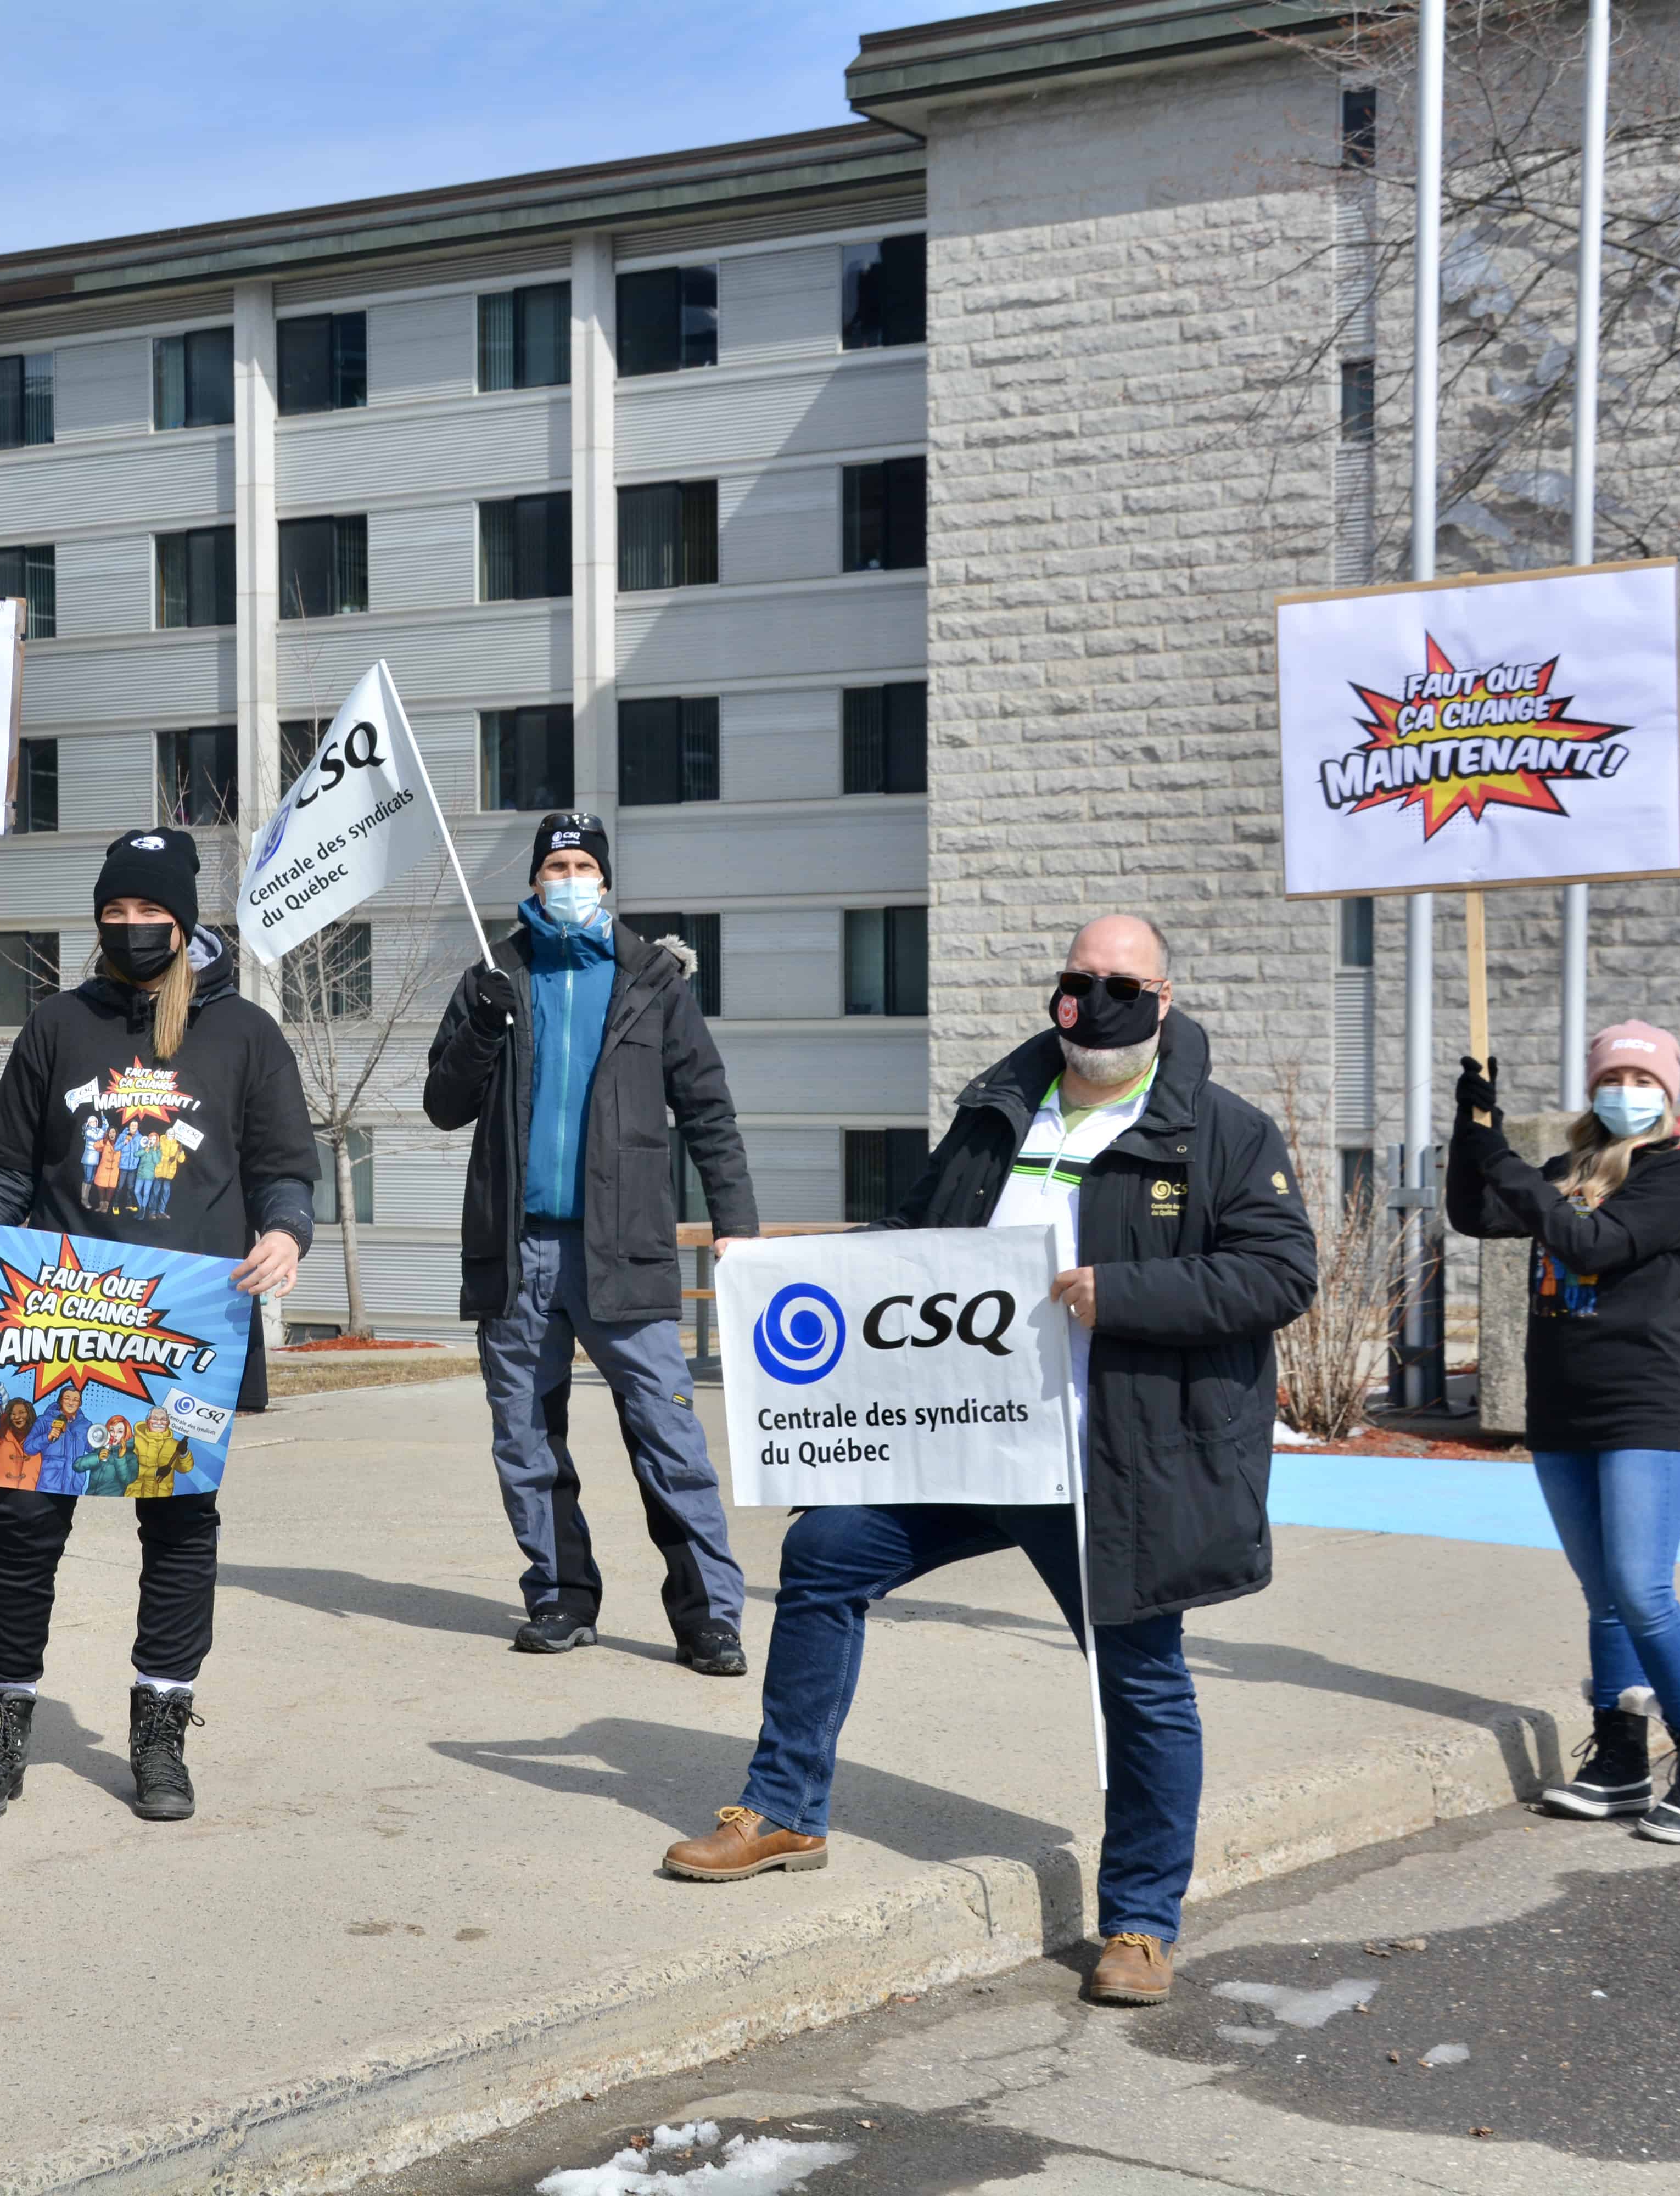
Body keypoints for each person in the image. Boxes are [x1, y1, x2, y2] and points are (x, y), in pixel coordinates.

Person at [659, 915, 1315, 2015]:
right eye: (1079, 980)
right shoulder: (998, 1110)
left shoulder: (1223, 1134)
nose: (1095, 1001)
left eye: (1122, 984)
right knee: (825, 1554)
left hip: (1111, 1459)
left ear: (1164, 998)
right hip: (965, 1434)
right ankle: (784, 1810)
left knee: (1140, 1678)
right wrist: (788, 1277)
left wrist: (1125, 1293)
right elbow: (911, 1240)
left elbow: (1280, 1273)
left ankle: (1142, 1920)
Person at [0, 827, 315, 1826]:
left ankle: (160, 1736)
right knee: (23, 1531)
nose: (132, 927)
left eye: (150, 911)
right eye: (116, 911)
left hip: (186, 1333)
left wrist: (286, 1234)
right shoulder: (60, 1025)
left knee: (178, 1530)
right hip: (55, 1324)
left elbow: (282, 1171)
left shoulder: (245, 1035)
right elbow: (8, 1176)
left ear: (184, 920)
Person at [421, 811, 758, 1675]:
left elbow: (708, 1109)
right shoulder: (495, 976)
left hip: (625, 1251)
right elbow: (444, 1105)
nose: (568, 880)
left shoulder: (653, 980)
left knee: (669, 1436)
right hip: (517, 1253)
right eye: (555, 867)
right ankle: (561, 1598)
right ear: (534, 881)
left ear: (605, 882)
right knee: (526, 1440)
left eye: (582, 867)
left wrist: (736, 1225)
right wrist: (479, 1030)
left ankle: (708, 1618)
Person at [1448, 1021, 1680, 1844]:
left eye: (1644, 1080)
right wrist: (1472, 1131)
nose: (1627, 1092)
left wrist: (1503, 1158)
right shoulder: (1570, 1169)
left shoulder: (1677, 1173)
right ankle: (1619, 1762)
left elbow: (1589, 1244)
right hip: (1563, 1410)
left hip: (1645, 1409)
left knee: (1642, 1590)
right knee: (1605, 1596)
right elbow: (1475, 1213)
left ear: (1669, 1092)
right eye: (1614, 1078)